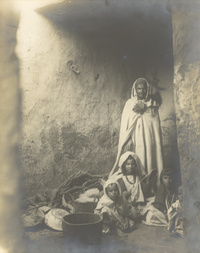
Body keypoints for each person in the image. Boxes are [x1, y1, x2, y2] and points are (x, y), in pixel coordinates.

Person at [109, 78, 163, 191]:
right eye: (139, 88)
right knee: (136, 160)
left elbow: (155, 125)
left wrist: (146, 109)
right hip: (135, 138)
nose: (141, 91)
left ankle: (149, 187)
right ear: (135, 89)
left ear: (147, 89)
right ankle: (137, 188)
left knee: (149, 158)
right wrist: (128, 139)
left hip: (149, 138)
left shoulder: (152, 104)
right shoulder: (129, 104)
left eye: (144, 88)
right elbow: (126, 124)